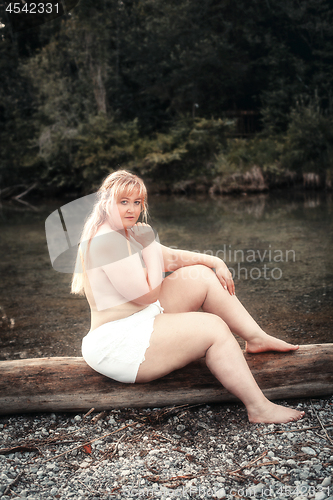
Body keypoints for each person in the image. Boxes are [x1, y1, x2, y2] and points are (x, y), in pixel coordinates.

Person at [71, 169, 305, 424]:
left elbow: (169, 257)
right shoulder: (107, 242)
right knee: (214, 327)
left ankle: (256, 338)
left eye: (137, 202)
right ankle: (259, 408)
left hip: (138, 319)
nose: (131, 209)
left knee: (201, 276)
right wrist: (149, 246)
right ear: (106, 202)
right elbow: (149, 295)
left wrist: (214, 261)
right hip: (118, 343)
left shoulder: (124, 230)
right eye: (123, 202)